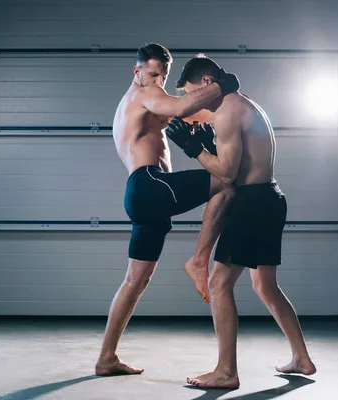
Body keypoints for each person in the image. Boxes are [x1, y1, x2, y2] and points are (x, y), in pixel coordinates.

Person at [164, 54, 317, 389]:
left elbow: (228, 174)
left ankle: (226, 372)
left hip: (253, 203)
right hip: (270, 198)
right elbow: (237, 160)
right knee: (265, 285)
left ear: (206, 83)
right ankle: (302, 360)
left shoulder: (229, 109)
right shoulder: (243, 104)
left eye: (193, 94)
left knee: (219, 284)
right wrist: (206, 144)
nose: (193, 103)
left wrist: (193, 148)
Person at [95, 44, 239, 376]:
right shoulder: (142, 95)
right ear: (138, 72)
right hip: (149, 184)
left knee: (136, 279)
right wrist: (223, 85)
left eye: (163, 74)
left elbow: (189, 113)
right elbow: (184, 104)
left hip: (144, 194)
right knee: (227, 181)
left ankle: (107, 358)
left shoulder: (147, 101)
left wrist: (206, 128)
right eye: (154, 73)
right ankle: (200, 259)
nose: (159, 79)